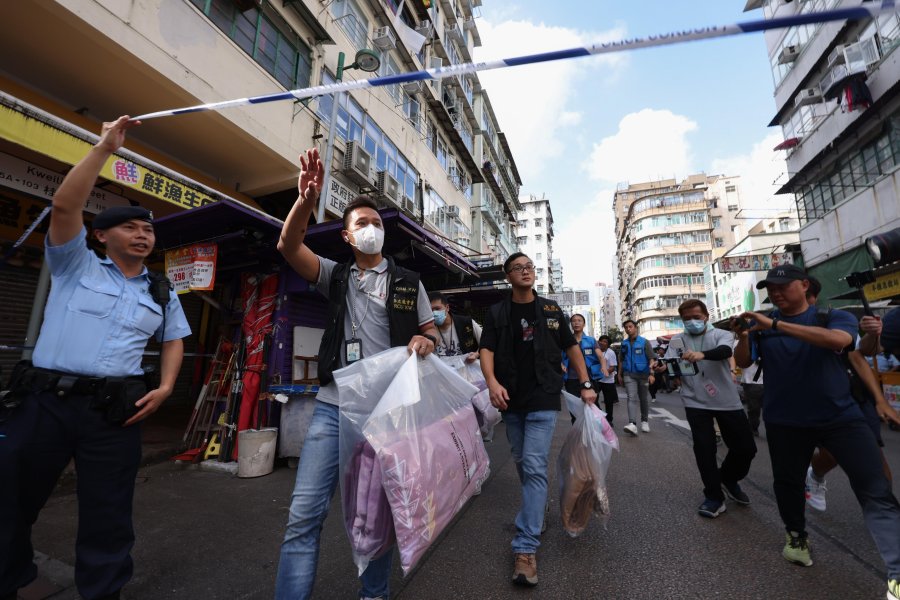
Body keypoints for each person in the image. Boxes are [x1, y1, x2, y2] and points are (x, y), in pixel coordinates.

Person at [0, 116, 191, 600]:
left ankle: (103, 592)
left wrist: (167, 387)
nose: (143, 235)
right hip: (44, 402)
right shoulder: (74, 263)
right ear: (102, 236)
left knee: (108, 513)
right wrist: (105, 147)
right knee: (10, 498)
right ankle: (11, 577)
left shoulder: (162, 289)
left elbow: (174, 339)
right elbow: (66, 204)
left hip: (113, 414)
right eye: (129, 227)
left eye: (147, 230)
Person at [275, 148, 439, 600]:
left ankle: (374, 594)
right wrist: (307, 200)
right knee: (304, 514)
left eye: (377, 223)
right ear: (347, 237)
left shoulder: (409, 282)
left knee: (377, 513)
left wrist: (427, 341)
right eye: (361, 224)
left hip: (390, 413)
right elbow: (289, 247)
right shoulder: (335, 276)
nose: (371, 229)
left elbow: (430, 333)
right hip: (333, 410)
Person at [733, 265, 900, 600]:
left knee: (875, 488)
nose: (776, 293)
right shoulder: (761, 325)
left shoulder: (832, 316)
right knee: (788, 483)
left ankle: (897, 570)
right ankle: (796, 536)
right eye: (771, 288)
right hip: (785, 420)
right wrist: (745, 336)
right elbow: (744, 361)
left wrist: (776, 324)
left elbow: (842, 343)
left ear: (804, 285)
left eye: (783, 286)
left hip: (841, 417)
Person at [479, 252, 597, 587]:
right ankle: (536, 509)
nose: (526, 272)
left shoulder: (550, 309)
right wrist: (492, 382)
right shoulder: (498, 312)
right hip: (511, 399)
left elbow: (571, 347)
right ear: (507, 276)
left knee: (532, 466)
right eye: (519, 268)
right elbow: (486, 348)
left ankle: (526, 548)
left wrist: (586, 383)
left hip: (544, 397)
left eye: (530, 267)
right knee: (521, 461)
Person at [803, 283, 900, 512]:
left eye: (806, 296)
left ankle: (887, 513)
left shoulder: (834, 320)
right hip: (816, 402)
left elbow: (860, 356)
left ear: (814, 297)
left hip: (854, 398)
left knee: (874, 458)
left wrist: (880, 400)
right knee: (833, 455)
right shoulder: (780, 324)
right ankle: (815, 473)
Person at [660, 300, 757, 518]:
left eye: (696, 316)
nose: (692, 322)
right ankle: (714, 497)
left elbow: (724, 351)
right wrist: (663, 368)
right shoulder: (677, 340)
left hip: (726, 400)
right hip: (695, 401)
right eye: (686, 319)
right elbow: (672, 363)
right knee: (704, 450)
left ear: (706, 315)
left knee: (746, 449)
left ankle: (728, 478)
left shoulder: (721, 335)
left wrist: (702, 354)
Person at [561, 313, 607, 422]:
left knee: (593, 406)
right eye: (574, 321)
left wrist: (604, 366)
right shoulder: (566, 340)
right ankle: (580, 435)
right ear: (571, 324)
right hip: (571, 380)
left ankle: (597, 433)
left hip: (590, 378)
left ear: (584, 324)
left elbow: (600, 355)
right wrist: (561, 364)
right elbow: (559, 356)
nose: (576, 323)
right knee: (575, 411)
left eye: (579, 320)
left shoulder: (591, 340)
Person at [617, 319, 656, 435]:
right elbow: (621, 360)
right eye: (626, 327)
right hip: (629, 374)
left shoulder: (644, 342)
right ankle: (632, 424)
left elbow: (651, 358)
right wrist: (619, 374)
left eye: (630, 327)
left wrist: (652, 373)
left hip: (643, 374)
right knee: (631, 397)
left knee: (643, 399)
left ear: (635, 327)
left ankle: (644, 421)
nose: (628, 329)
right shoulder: (624, 344)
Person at [427, 291, 481, 360]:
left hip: (467, 368)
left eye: (437, 309)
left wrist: (476, 354)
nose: (434, 313)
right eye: (431, 310)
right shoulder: (428, 330)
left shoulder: (466, 323)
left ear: (447, 308)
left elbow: (486, 342)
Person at [596, 335, 618, 426]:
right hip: (597, 379)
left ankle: (609, 420)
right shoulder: (596, 351)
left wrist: (604, 372)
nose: (602, 343)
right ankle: (600, 414)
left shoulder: (611, 353)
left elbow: (612, 367)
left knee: (608, 401)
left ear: (608, 344)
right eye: (601, 341)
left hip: (608, 381)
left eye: (605, 341)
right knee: (593, 399)